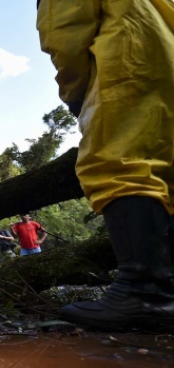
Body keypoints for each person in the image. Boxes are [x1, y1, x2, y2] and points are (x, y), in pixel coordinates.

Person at [37, 0, 174, 331]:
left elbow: (65, 33)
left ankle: (145, 292)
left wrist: (76, 94)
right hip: (166, 53)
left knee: (119, 165)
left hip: (129, 59)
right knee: (166, 173)